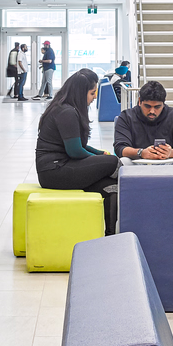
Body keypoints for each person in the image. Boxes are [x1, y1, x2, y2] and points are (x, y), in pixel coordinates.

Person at [35, 68, 118, 231]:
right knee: (114, 162)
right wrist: (101, 161)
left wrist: (99, 154)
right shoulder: (66, 112)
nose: (95, 97)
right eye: (92, 93)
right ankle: (138, 184)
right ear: (81, 93)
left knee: (111, 187)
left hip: (59, 168)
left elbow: (79, 145)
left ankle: (110, 236)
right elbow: (75, 151)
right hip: (54, 171)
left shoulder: (66, 108)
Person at [114, 80, 173, 161]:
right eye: (147, 106)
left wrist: (171, 153)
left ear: (163, 103)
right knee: (124, 161)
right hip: (136, 160)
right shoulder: (126, 117)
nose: (152, 111)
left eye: (157, 107)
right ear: (140, 101)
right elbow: (120, 148)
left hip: (169, 160)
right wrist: (141, 153)